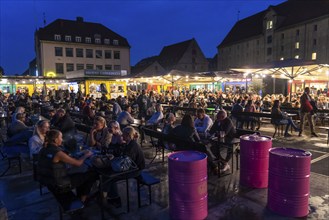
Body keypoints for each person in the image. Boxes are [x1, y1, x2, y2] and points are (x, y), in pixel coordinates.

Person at [37, 130, 98, 203]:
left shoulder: (44, 149)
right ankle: (83, 199)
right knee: (91, 174)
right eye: (61, 137)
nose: (62, 140)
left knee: (80, 175)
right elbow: (78, 163)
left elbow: (61, 159)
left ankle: (81, 196)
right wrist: (86, 155)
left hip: (49, 181)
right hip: (60, 184)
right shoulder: (58, 153)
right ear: (56, 140)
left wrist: (80, 153)